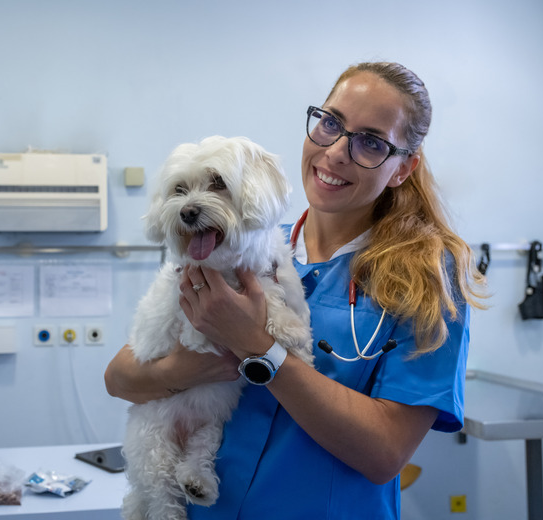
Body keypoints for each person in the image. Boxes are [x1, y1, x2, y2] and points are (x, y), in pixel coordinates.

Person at [105, 61, 487, 519]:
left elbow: (385, 454)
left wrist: (256, 346)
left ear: (404, 168)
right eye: (331, 123)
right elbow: (120, 378)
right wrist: (195, 366)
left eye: (371, 141)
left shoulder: (428, 280)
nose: (338, 152)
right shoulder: (244, 246)